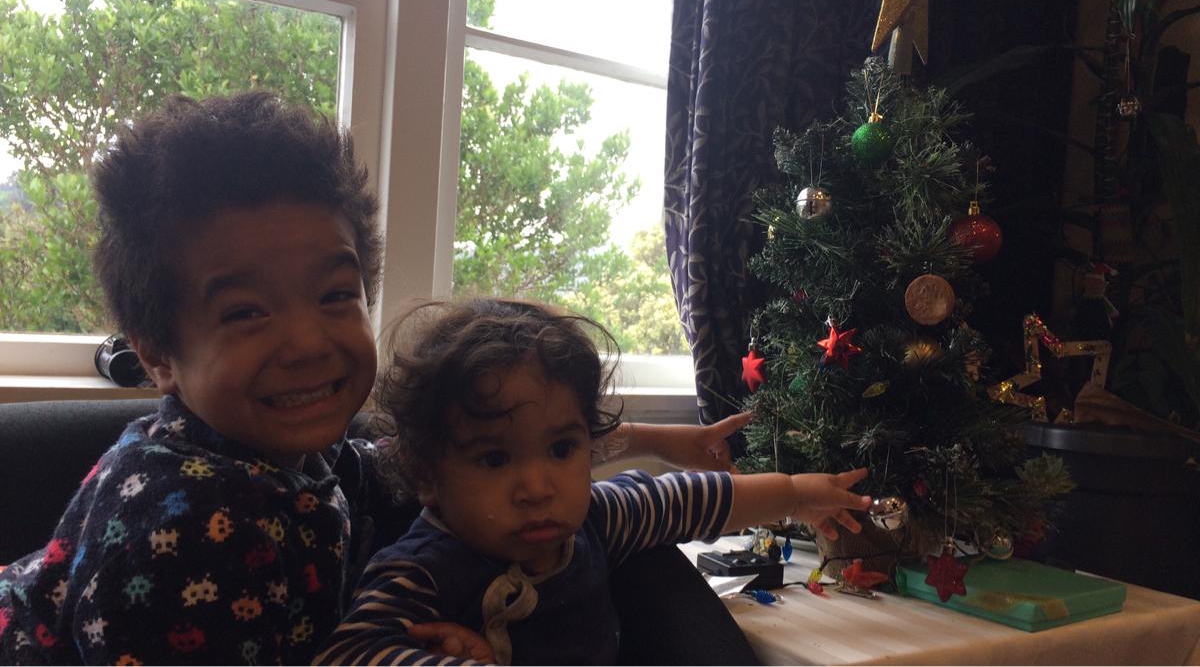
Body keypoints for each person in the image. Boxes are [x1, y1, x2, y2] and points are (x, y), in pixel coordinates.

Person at [0, 92, 749, 664]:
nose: (308, 341)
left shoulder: (298, 456)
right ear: (159, 354)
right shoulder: (180, 531)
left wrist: (654, 442)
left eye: (335, 295)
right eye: (246, 312)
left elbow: (457, 451)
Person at [316, 298, 872, 665]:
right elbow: (346, 654)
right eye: (494, 459)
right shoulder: (421, 568)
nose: (537, 488)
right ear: (426, 474)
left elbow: (698, 498)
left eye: (561, 449)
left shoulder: (596, 520)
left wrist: (796, 494)